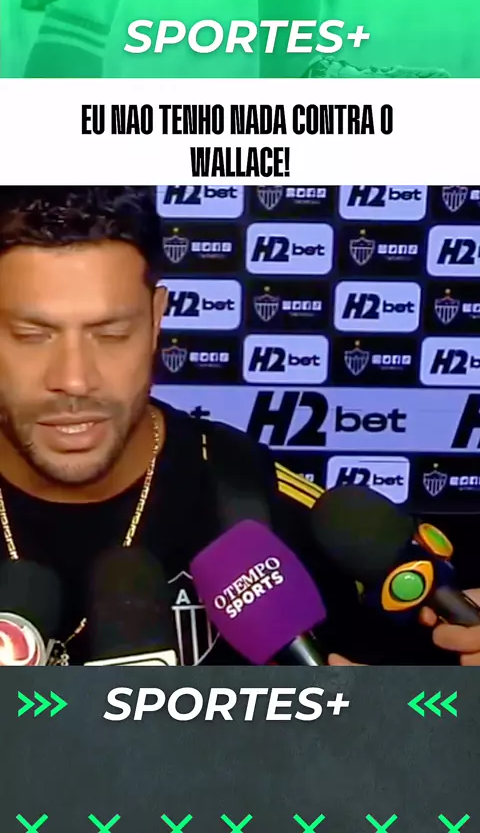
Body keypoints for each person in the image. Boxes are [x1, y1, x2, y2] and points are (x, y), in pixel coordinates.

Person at [0, 186, 478, 668]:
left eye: (111, 334)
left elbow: (420, 694)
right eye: (31, 336)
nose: (75, 379)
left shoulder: (260, 505)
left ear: (156, 319)